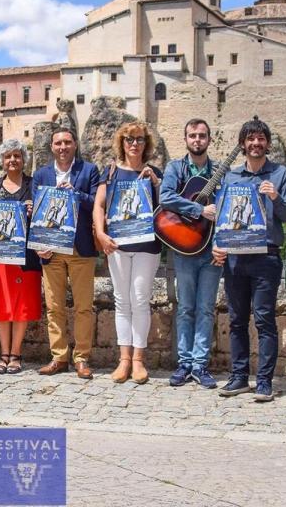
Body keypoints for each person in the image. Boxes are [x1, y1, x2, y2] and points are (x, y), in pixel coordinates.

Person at [212, 117, 286, 402]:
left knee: (264, 320)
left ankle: (264, 382)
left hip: (266, 257)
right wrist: (217, 245)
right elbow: (223, 217)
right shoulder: (231, 177)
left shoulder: (281, 174)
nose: (256, 143)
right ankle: (238, 378)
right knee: (236, 320)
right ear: (243, 144)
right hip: (235, 258)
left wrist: (275, 198)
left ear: (267, 144)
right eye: (250, 139)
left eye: (261, 139)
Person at [94, 121, 163, 385]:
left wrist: (156, 184)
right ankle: (124, 360)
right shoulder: (110, 172)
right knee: (122, 301)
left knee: (140, 299)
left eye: (140, 140)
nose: (135, 144)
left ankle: (138, 361)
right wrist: (100, 234)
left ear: (147, 144)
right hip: (117, 245)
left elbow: (167, 206)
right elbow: (99, 206)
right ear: (122, 143)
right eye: (130, 139)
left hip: (147, 246)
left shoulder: (153, 172)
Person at [32, 127, 100, 379]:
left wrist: (76, 194)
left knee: (84, 307)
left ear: (75, 145)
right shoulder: (41, 175)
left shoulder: (89, 170)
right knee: (54, 307)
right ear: (52, 146)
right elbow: (38, 211)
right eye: (58, 143)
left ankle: (82, 358)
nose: (62, 147)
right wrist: (40, 243)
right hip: (51, 248)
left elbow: (96, 203)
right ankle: (59, 357)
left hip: (80, 246)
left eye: (67, 142)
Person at [159, 118, 223, 389]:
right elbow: (165, 197)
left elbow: (228, 207)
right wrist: (198, 210)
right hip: (184, 246)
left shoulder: (220, 171)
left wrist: (224, 243)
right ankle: (184, 363)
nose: (197, 140)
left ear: (209, 139)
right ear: (186, 139)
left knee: (206, 309)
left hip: (211, 249)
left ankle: (200, 364)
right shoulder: (176, 167)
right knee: (185, 308)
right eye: (192, 135)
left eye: (202, 135)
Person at [0, 140, 40, 374]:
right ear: (2, 161)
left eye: (17, 155)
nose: (12, 160)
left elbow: (45, 217)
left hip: (26, 256)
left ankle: (16, 354)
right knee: (2, 304)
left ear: (23, 159)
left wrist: (33, 210)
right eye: (8, 156)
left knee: (22, 306)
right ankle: (3, 354)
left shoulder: (34, 185)